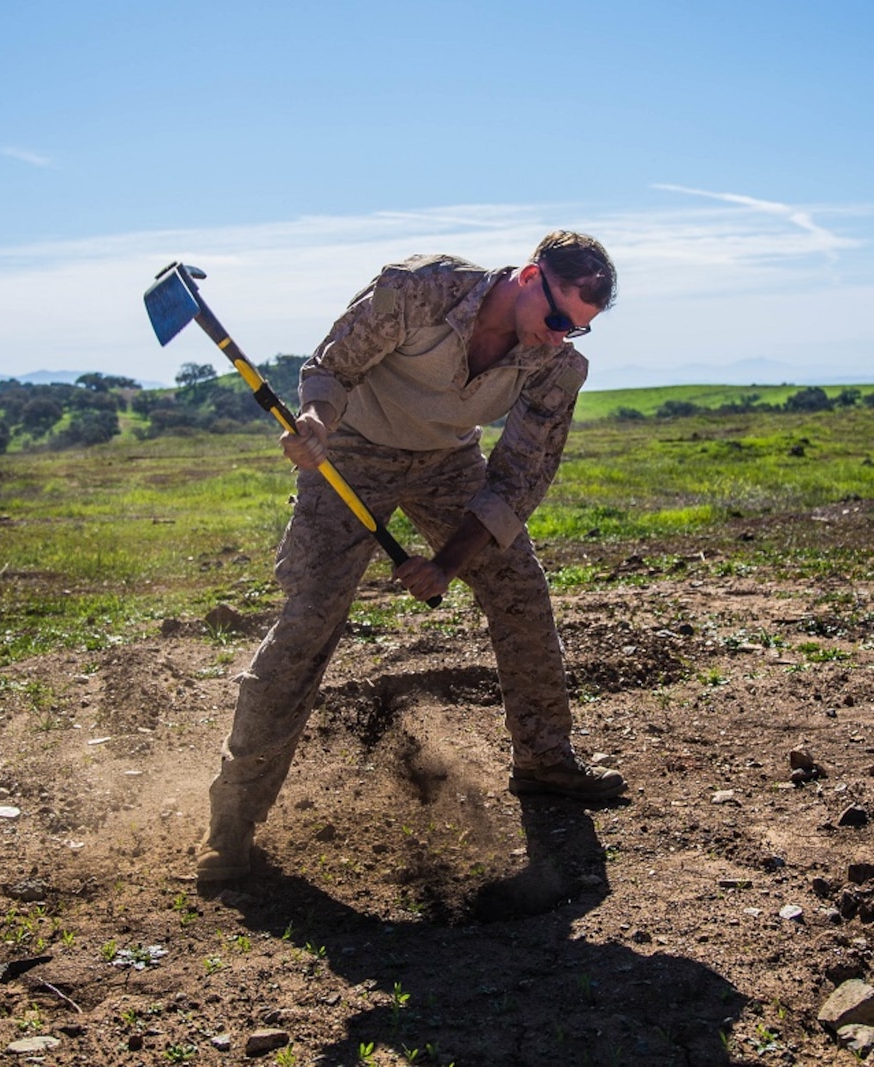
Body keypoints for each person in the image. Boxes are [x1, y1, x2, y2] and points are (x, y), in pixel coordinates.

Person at [197, 230, 626, 882]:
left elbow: (516, 481)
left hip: (446, 462)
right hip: (349, 449)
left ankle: (543, 761)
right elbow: (331, 368)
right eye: (559, 317)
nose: (560, 337)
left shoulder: (557, 366)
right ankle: (230, 821)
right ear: (530, 275)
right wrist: (314, 420)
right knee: (309, 622)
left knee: (517, 587)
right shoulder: (418, 289)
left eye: (579, 329)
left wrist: (447, 562)